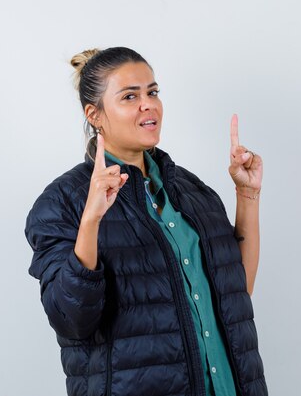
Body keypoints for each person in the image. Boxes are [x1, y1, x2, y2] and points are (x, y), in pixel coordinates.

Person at [25, 46, 268, 396]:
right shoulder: (62, 203)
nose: (148, 104)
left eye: (152, 92)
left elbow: (237, 293)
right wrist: (91, 219)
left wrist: (247, 196)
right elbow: (71, 320)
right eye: (129, 96)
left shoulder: (192, 191)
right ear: (94, 114)